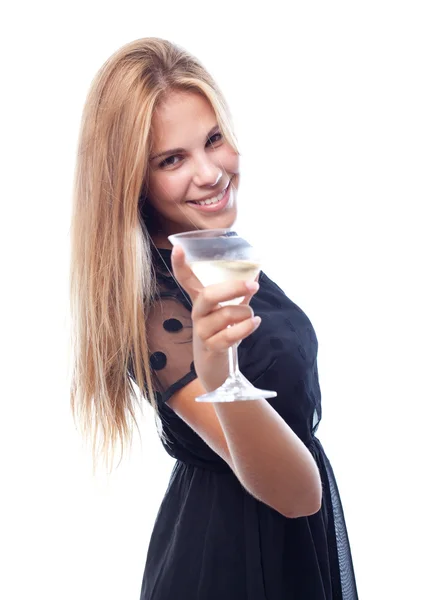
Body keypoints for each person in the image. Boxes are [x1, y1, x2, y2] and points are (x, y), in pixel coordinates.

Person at [69, 37, 359, 599]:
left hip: (284, 544)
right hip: (231, 558)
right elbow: (297, 493)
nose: (210, 172)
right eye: (172, 160)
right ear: (133, 181)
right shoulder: (158, 310)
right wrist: (219, 370)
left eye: (213, 140)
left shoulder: (209, 251)